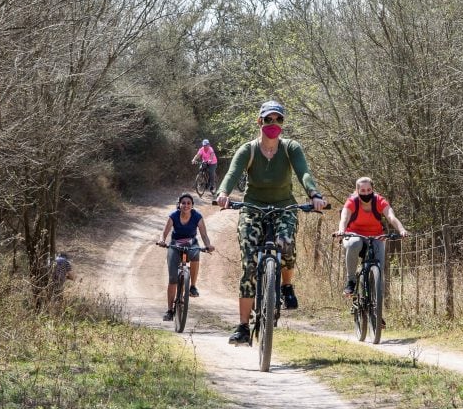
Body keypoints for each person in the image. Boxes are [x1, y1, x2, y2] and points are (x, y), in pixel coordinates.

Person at [216, 100, 328, 345]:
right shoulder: (249, 150)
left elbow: (304, 173)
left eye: (278, 120)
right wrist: (223, 193)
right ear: (260, 121)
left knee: (286, 244)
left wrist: (314, 194)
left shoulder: (291, 148)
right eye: (269, 119)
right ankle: (243, 327)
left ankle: (287, 287)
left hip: (284, 206)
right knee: (249, 265)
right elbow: (232, 174)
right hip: (252, 207)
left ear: (283, 124)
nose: (273, 124)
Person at [334, 177, 409, 296]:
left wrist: (401, 229)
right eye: (362, 190)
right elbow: (344, 218)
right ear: (357, 191)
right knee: (354, 243)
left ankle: (375, 299)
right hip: (354, 234)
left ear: (373, 189)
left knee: (379, 266)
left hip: (376, 236)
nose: (366, 193)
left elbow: (391, 217)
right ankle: (351, 281)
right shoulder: (352, 202)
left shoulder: (379, 201)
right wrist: (341, 230)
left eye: (369, 190)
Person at [157, 193, 215, 321]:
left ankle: (192, 286)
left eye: (189, 203)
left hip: (191, 244)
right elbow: (165, 232)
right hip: (175, 245)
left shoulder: (197, 216)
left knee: (196, 254)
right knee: (172, 280)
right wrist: (161, 240)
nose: (186, 205)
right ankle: (169, 310)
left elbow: (204, 235)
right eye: (183, 203)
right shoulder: (173, 216)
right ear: (179, 205)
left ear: (192, 205)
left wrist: (208, 245)